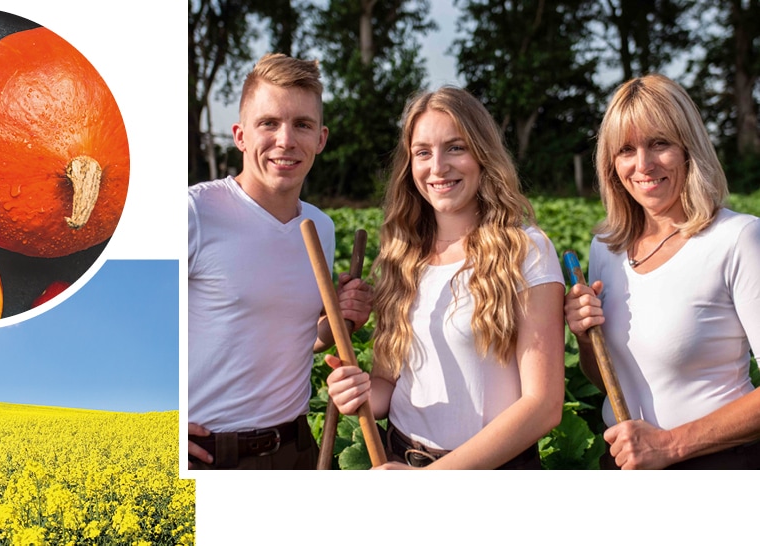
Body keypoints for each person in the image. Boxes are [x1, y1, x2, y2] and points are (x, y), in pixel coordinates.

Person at [326, 87, 565, 469]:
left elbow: (544, 406)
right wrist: (358, 394)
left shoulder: (526, 250)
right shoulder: (402, 255)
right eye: (423, 152)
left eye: (455, 147)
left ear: (483, 154)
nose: (437, 167)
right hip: (398, 458)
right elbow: (388, 385)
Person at [564, 74, 760, 470]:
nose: (643, 165)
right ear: (610, 163)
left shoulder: (738, 238)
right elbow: (615, 380)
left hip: (719, 466)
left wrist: (670, 445)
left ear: (689, 148)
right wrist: (586, 340)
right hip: (625, 462)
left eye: (659, 143)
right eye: (626, 150)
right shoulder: (606, 248)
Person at [187, 53, 372, 470]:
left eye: (302, 124)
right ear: (240, 135)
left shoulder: (320, 228)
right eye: (268, 123)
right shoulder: (195, 213)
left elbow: (297, 338)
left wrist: (342, 321)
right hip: (211, 456)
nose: (285, 140)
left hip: (296, 450)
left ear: (320, 139)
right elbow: (127, 310)